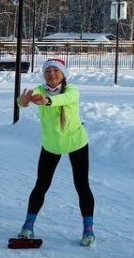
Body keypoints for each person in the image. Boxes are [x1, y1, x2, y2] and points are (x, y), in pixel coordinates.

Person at [14, 59, 96, 246]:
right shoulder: (40, 91)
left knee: (82, 186)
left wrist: (48, 101)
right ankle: (28, 226)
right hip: (51, 145)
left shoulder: (72, 90)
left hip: (76, 143)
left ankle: (88, 230)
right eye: (48, 71)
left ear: (63, 74)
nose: (52, 74)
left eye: (56, 70)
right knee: (41, 185)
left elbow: (64, 99)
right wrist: (22, 101)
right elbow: (23, 101)